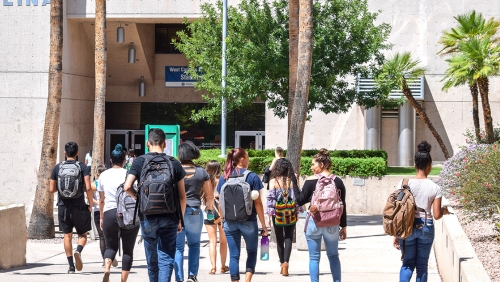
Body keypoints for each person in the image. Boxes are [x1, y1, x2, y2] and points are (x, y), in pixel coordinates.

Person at [123, 128, 187, 282]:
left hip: (147, 216)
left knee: (152, 261)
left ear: (147, 143)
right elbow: (182, 197)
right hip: (170, 216)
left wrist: (139, 197)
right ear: (165, 144)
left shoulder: (140, 161)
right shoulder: (174, 163)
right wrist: (180, 219)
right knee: (166, 259)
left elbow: (126, 187)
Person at [393, 141, 450, 282]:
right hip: (426, 225)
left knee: (407, 263)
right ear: (429, 166)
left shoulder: (403, 183)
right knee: (422, 265)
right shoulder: (435, 187)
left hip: (406, 227)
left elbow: (397, 210)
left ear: (415, 165)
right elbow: (437, 215)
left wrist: (396, 234)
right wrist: (444, 210)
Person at [292, 148, 347, 282]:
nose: (311, 167)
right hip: (333, 223)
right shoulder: (338, 181)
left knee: (314, 257)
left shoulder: (311, 181)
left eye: (313, 164)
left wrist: (294, 181)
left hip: (314, 222)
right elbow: (342, 205)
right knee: (333, 256)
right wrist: (344, 226)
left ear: (321, 165)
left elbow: (299, 200)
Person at [217, 148, 268, 282]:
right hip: (248, 220)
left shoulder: (224, 177)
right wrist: (263, 225)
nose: (249, 159)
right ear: (242, 159)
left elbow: (220, 202)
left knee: (234, 255)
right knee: (251, 251)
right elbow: (258, 203)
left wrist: (222, 219)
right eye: (248, 156)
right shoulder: (252, 176)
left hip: (229, 222)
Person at [49, 142, 93, 274]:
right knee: (83, 234)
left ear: (64, 153)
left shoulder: (57, 168)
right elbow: (88, 187)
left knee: (67, 236)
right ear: (77, 153)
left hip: (63, 206)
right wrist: (90, 203)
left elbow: (51, 189)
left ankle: (71, 267)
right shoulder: (83, 167)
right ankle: (78, 251)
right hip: (79, 205)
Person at [98, 144, 141, 282]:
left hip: (109, 212)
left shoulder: (103, 175)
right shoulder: (128, 174)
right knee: (128, 250)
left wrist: (101, 217)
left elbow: (101, 199)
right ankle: (123, 280)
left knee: (110, 246)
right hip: (128, 214)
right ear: (124, 160)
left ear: (111, 160)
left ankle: (107, 268)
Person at [174, 141, 214, 282]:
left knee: (178, 247)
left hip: (177, 212)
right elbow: (209, 196)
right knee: (194, 244)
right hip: (194, 212)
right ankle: (192, 276)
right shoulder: (202, 172)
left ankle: (179, 278)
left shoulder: (175, 169)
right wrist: (209, 209)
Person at [266, 158, 302, 276]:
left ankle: (282, 263)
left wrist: (269, 216)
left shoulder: (273, 181)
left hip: (278, 214)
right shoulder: (294, 179)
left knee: (279, 239)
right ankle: (286, 262)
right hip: (290, 213)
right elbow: (297, 197)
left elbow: (270, 201)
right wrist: (297, 212)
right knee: (289, 238)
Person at [203, 160, 229, 275]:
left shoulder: (205, 181)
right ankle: (223, 266)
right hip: (222, 211)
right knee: (223, 241)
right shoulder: (223, 180)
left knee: (212, 241)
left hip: (209, 210)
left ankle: (213, 267)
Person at [90, 164, 113, 266]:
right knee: (110, 236)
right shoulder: (109, 183)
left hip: (97, 211)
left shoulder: (94, 184)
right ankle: (110, 256)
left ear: (97, 173)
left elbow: (89, 197)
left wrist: (97, 203)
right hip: (108, 210)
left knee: (102, 237)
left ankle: (104, 259)